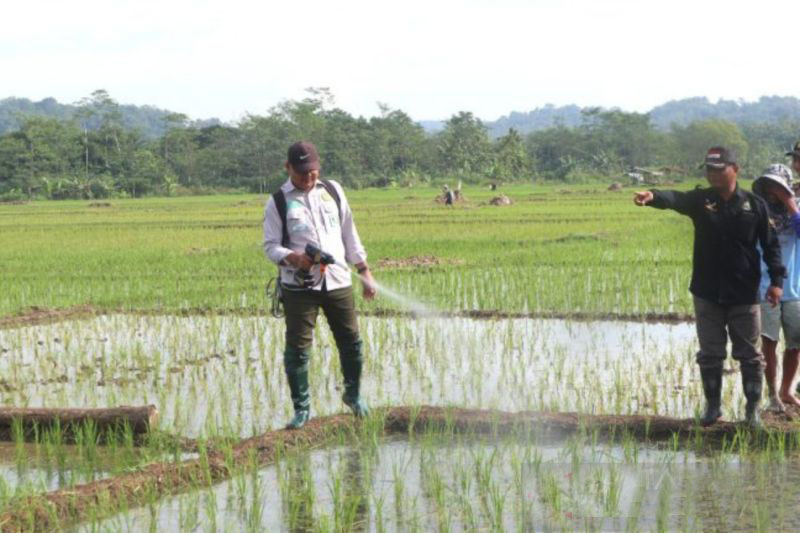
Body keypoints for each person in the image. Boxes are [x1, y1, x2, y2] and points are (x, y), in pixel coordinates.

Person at [633, 147, 785, 428]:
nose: (713, 174)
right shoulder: (701, 200)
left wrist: (777, 282)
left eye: (719, 168)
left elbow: (770, 245)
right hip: (707, 291)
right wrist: (653, 196)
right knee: (710, 353)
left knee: (750, 356)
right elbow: (675, 198)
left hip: (744, 292)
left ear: (735, 168)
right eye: (709, 169)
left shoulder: (754, 204)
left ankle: (752, 412)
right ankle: (713, 407)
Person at [263, 141, 377, 430]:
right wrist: (295, 258)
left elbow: (349, 232)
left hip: (337, 280)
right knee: (299, 348)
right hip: (300, 286)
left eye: (312, 172)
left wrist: (363, 270)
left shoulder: (333, 191)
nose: (308, 178)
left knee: (351, 341)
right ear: (288, 168)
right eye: (302, 173)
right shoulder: (278, 201)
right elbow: (270, 246)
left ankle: (353, 395)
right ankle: (302, 409)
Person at [752, 164, 800, 411]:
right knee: (768, 341)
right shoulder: (757, 212)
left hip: (795, 288)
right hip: (765, 286)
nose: (773, 191)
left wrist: (790, 203)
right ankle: (773, 396)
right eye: (769, 185)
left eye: (779, 186)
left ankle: (787, 390)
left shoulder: (796, 211)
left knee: (796, 343)